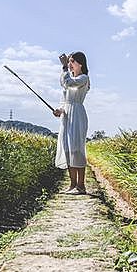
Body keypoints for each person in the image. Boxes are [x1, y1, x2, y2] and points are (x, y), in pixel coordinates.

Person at [53, 51, 90, 195]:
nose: (69, 64)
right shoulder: (70, 79)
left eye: (72, 61)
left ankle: (81, 186)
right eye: (69, 61)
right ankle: (72, 184)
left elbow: (69, 83)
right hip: (67, 115)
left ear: (80, 63)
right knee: (68, 148)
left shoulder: (83, 78)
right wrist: (60, 110)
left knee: (77, 149)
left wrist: (63, 68)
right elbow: (64, 96)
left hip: (77, 115)